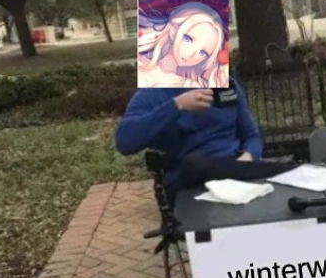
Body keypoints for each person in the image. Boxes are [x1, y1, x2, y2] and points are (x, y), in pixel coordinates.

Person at [114, 79, 297, 208]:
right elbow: (125, 142)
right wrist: (177, 105)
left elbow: (251, 137)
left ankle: (287, 171)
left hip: (237, 175)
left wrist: (247, 158)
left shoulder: (226, 86)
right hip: (186, 184)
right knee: (196, 163)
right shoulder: (154, 93)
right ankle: (289, 169)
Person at [137, 1, 228, 88]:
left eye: (203, 52)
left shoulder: (190, 85)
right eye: (188, 39)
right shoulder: (140, 64)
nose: (191, 54)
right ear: (173, 31)